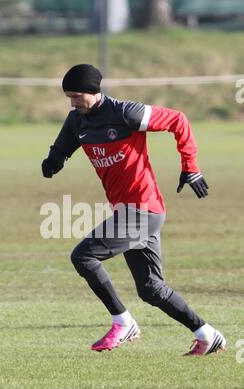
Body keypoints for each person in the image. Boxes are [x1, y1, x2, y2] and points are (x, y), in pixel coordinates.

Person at [42, 63, 226, 356]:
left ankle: (123, 322)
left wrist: (190, 167)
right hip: (132, 212)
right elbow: (64, 145)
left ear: (94, 91)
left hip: (141, 210)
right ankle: (208, 335)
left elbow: (178, 120)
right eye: (69, 97)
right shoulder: (77, 120)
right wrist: (54, 160)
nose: (73, 103)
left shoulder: (126, 113)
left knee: (84, 257)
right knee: (151, 288)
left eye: (77, 96)